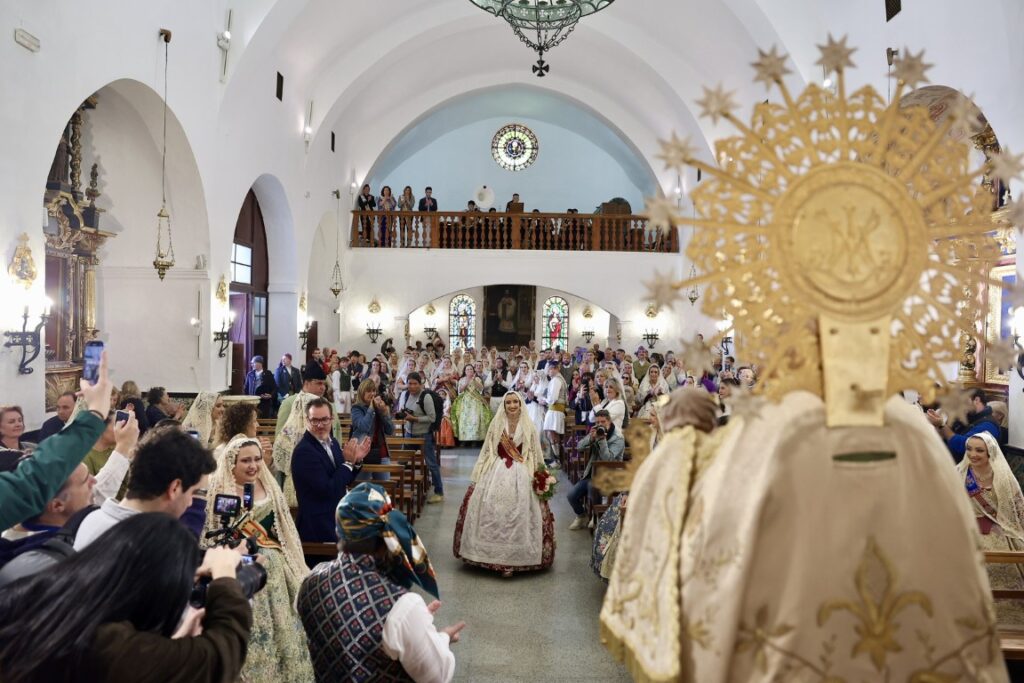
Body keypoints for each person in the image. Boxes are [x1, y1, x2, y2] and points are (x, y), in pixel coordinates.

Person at [0, 513, 252, 683]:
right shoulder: (108, 646)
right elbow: (221, 655)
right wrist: (225, 576)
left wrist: (170, 647)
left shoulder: (47, 592)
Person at [298, 483, 461, 682]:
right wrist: (439, 637)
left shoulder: (310, 580)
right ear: (387, 538)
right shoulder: (403, 606)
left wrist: (411, 624)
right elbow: (437, 675)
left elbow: (346, 630)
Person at [204, 435, 315, 681]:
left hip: (274, 570)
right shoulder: (221, 490)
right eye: (245, 461)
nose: (253, 465)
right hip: (241, 571)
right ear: (232, 463)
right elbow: (214, 534)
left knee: (284, 630)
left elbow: (284, 528)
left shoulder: (268, 485)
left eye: (256, 459)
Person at [0, 352, 112, 531]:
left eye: (19, 420)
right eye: (10, 421)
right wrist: (96, 413)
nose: (93, 482)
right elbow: (33, 482)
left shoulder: (29, 448)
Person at [454, 392, 555, 577]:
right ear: (504, 405)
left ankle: (516, 559)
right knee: (492, 510)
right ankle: (487, 556)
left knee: (520, 512)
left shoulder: (529, 425)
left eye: (515, 402)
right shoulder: (496, 423)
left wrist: (541, 474)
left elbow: (535, 452)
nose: (512, 405)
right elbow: (488, 450)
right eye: (508, 402)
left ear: (520, 403)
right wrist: (481, 471)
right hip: (497, 470)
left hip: (522, 471)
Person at [74, 428, 216, 549]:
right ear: (175, 488)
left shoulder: (92, 519)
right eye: (193, 493)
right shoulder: (157, 543)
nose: (191, 503)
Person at [956, 431, 1024, 623]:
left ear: (990, 453)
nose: (973, 454)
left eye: (980, 450)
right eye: (969, 449)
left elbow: (1018, 509)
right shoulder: (958, 474)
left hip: (998, 536)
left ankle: (1004, 621)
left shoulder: (1003, 478)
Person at [292, 398, 370, 542]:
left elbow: (343, 478)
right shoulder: (304, 452)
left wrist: (356, 461)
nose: (320, 425)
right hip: (318, 527)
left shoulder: (332, 442)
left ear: (332, 419)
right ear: (307, 421)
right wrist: (348, 462)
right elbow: (327, 489)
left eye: (325, 419)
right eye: (315, 420)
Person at [567, 410, 625, 530]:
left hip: (610, 476)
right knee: (571, 495)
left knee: (591, 487)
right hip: (592, 474)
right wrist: (591, 438)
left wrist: (602, 440)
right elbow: (579, 447)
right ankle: (581, 516)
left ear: (609, 421)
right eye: (597, 422)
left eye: (603, 421)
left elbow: (608, 460)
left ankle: (598, 517)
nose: (600, 424)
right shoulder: (595, 431)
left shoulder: (618, 438)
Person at [398, 372, 443, 504]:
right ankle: (396, 488)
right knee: (401, 462)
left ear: (420, 384)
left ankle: (439, 492)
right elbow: (406, 410)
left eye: (415, 383)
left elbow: (432, 418)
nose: (412, 386)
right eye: (409, 383)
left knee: (431, 464)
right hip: (409, 433)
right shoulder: (406, 394)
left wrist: (414, 419)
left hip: (424, 435)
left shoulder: (426, 396)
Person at [926, 388, 1001, 462]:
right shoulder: (970, 417)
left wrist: (942, 425)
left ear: (976, 400)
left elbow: (964, 445)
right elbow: (946, 437)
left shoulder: (989, 425)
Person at [351, 379, 395, 481]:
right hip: (362, 454)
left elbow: (390, 430)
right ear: (362, 392)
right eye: (369, 391)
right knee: (362, 489)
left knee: (384, 489)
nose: (372, 394)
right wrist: (371, 408)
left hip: (381, 452)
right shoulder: (356, 408)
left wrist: (384, 413)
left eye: (374, 391)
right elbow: (364, 427)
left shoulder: (378, 407)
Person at [450, 364, 493, 443]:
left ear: (473, 371)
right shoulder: (462, 379)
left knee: (475, 419)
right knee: (464, 419)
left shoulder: (477, 379)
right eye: (467, 369)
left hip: (476, 401)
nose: (469, 371)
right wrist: (467, 382)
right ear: (465, 371)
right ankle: (464, 440)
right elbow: (460, 390)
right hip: (465, 401)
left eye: (471, 369)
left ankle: (475, 440)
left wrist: (474, 380)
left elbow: (481, 389)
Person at [540, 362, 567, 467]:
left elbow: (553, 399)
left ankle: (558, 460)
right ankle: (557, 459)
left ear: (555, 369)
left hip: (555, 410)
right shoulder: (558, 379)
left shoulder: (556, 380)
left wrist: (544, 400)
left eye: (549, 369)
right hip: (555, 410)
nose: (547, 371)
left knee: (553, 435)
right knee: (551, 434)